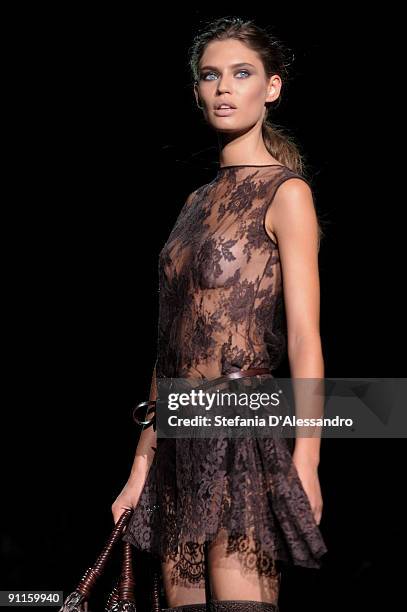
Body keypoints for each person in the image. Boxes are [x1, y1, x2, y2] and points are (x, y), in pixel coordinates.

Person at [112, 16, 328, 612]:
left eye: (242, 73)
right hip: (180, 440)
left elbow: (306, 339)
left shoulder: (287, 193)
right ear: (197, 91)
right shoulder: (193, 203)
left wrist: (306, 460)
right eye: (211, 76)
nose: (224, 88)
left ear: (273, 87)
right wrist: (140, 465)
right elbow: (169, 343)